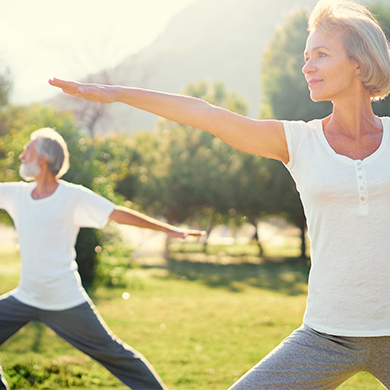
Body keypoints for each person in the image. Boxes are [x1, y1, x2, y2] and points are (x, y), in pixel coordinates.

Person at [49, 0, 390, 388]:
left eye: (321, 55)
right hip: (327, 335)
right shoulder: (298, 141)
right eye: (305, 56)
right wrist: (115, 92)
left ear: (359, 63)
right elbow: (205, 114)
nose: (306, 66)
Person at [0, 127, 204, 390]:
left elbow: (116, 213)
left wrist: (167, 229)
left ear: (44, 159)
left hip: (65, 301)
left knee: (116, 355)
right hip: (26, 297)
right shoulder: (17, 194)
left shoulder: (72, 196)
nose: (21, 155)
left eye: (28, 149)